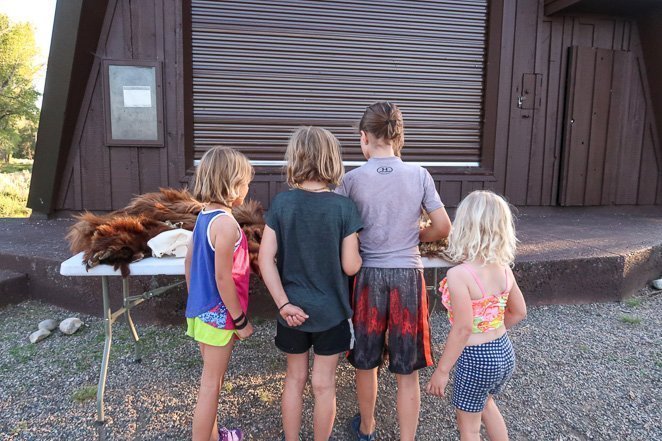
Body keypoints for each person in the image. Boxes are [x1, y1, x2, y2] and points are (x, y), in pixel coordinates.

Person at [335, 101, 452, 441]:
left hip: (367, 278)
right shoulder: (419, 175)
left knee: (365, 361)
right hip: (407, 278)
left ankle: (367, 430)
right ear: (399, 138)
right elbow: (443, 225)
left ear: (363, 138)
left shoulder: (351, 180)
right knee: (407, 369)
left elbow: (345, 233)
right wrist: (418, 235)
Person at [258, 126, 364, 441]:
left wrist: (283, 304)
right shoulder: (345, 208)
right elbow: (350, 265)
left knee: (294, 379)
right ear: (332, 161)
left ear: (296, 160)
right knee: (323, 384)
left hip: (291, 312)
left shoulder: (281, 204)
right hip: (331, 313)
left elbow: (265, 260)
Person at [426, 190, 527, 441]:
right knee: (487, 405)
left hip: (476, 359)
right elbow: (519, 312)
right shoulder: (504, 269)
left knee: (469, 427)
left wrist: (442, 370)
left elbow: (462, 329)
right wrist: (491, 329)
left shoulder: (460, 275)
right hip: (503, 352)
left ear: (464, 227)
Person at [185, 146, 255, 441]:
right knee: (211, 384)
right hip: (220, 316)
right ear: (234, 186)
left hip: (201, 312)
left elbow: (189, 264)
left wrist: (195, 301)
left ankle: (216, 436)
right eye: (246, 183)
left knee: (212, 379)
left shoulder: (204, 217)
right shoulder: (226, 225)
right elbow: (224, 277)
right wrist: (240, 320)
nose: (247, 188)